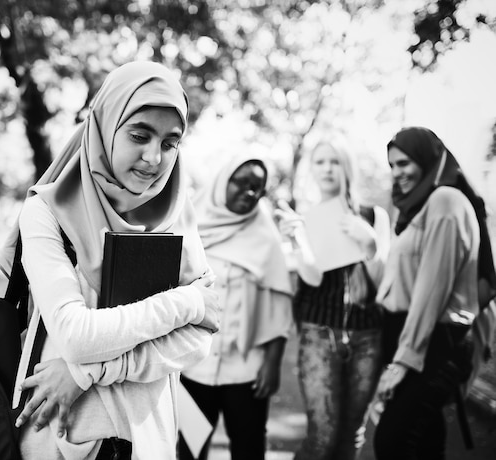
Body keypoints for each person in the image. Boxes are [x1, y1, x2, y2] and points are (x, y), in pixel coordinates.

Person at [0, 61, 221, 460]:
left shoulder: (176, 215)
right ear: (104, 126)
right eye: (139, 135)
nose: (154, 158)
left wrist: (88, 372)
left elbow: (198, 341)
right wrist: (188, 303)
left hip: (150, 438)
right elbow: (77, 336)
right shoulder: (48, 211)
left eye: (170, 143)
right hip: (64, 436)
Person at [372, 126, 496, 460]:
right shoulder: (418, 211)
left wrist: (403, 361)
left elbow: (432, 289)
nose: (397, 173)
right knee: (423, 440)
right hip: (416, 337)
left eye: (404, 162)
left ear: (428, 160)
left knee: (392, 442)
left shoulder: (445, 200)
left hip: (436, 341)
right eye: (392, 165)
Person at [275, 135, 391, 460]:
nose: (327, 169)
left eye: (334, 161)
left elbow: (384, 285)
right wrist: (298, 241)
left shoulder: (374, 216)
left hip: (368, 336)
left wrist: (370, 246)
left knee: (351, 435)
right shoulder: (307, 219)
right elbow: (311, 277)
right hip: (318, 333)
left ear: (347, 166)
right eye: (320, 161)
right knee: (322, 437)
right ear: (312, 169)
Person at [177, 154, 294, 460]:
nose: (250, 192)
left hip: (246, 370)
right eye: (242, 183)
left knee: (249, 449)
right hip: (192, 367)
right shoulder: (189, 230)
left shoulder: (265, 237)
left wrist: (273, 361)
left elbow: (280, 301)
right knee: (189, 450)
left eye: (258, 187)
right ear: (222, 182)